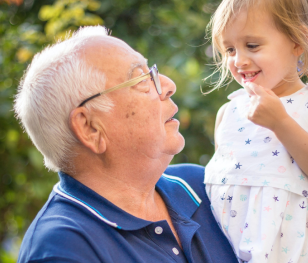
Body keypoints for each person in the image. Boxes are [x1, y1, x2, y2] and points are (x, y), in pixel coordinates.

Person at [15, 26, 238, 263]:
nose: (168, 85)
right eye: (142, 79)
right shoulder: (61, 249)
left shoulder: (203, 185)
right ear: (90, 127)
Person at [203, 0, 308, 262]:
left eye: (252, 45)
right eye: (229, 49)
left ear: (297, 42)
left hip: (300, 252)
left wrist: (280, 122)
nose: (239, 60)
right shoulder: (228, 113)